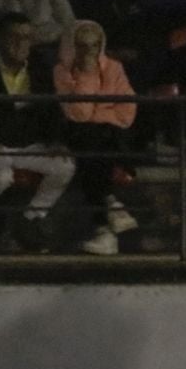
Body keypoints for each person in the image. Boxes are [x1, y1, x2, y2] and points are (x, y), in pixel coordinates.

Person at [54, 18, 138, 256]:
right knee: (91, 141)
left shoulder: (114, 67)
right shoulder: (62, 71)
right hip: (80, 134)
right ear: (72, 46)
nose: (89, 51)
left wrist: (97, 114)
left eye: (94, 45)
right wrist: (88, 74)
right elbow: (78, 114)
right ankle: (111, 205)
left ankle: (104, 229)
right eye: (82, 45)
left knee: (96, 146)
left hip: (109, 136)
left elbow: (127, 112)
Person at [0, 9, 69, 252]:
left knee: (64, 166)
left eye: (27, 37)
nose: (21, 43)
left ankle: (30, 219)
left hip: (28, 142)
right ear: (0, 38)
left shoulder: (38, 67)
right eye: (13, 37)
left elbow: (51, 108)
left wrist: (56, 140)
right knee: (1, 177)